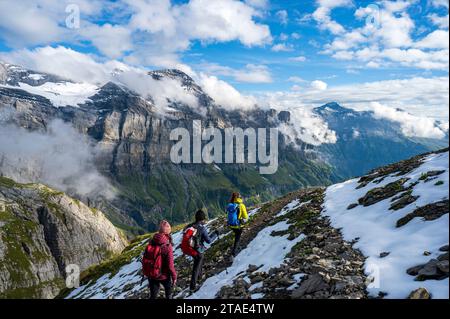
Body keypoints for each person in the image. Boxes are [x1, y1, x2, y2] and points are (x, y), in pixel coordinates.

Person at [182, 209, 218, 291]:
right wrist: (215, 234)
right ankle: (193, 286)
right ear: (203, 219)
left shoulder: (190, 226)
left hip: (191, 249)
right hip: (198, 250)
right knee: (196, 266)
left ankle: (199, 279)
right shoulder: (202, 228)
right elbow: (208, 240)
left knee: (198, 263)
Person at [143, 220, 177, 299]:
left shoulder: (151, 241)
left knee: (153, 296)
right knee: (168, 294)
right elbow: (170, 266)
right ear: (168, 232)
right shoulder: (167, 246)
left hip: (152, 274)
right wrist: (174, 277)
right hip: (164, 276)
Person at [226, 192, 248, 258]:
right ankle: (234, 253)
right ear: (239, 197)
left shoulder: (230, 205)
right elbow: (245, 217)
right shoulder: (241, 205)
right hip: (238, 225)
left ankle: (236, 247)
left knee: (236, 235)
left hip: (231, 225)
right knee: (237, 238)